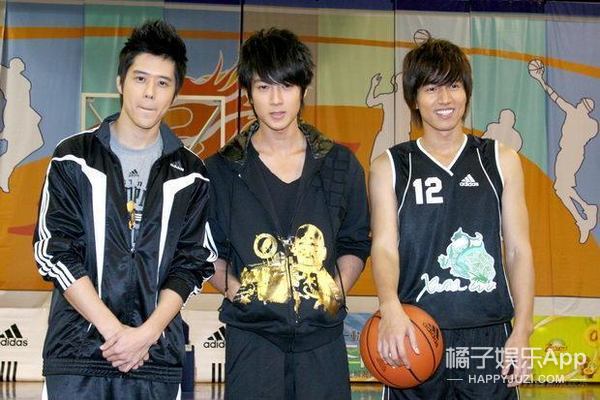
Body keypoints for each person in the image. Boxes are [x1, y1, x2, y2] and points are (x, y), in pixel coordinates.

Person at [33, 20, 216, 400]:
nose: (149, 93)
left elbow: (192, 264)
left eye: (162, 83)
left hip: (155, 359)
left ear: (175, 93)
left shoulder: (192, 175)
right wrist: (116, 332)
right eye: (140, 79)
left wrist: (145, 335)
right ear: (120, 82)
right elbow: (55, 251)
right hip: (78, 357)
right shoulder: (73, 158)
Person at [206, 28, 370, 400]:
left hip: (322, 342)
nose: (276, 100)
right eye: (264, 87)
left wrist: (332, 291)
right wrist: (240, 293)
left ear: (304, 90)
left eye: (286, 86)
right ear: (248, 93)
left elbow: (355, 242)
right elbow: (206, 251)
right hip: (252, 342)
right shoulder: (221, 170)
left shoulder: (339, 165)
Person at [369, 39, 534, 399]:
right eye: (431, 88)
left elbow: (518, 250)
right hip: (415, 332)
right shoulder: (390, 166)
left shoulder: (500, 160)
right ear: (414, 98)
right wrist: (389, 307)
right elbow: (384, 246)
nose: (444, 99)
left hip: (487, 335)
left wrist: (522, 328)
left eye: (453, 86)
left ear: (466, 92)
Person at [528, 59, 598, 243]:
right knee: (562, 189)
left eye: (582, 103)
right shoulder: (586, 121)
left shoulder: (579, 117)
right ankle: (585, 211)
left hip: (570, 154)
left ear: (585, 108)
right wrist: (540, 80)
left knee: (561, 189)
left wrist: (540, 79)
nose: (580, 103)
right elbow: (556, 98)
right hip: (568, 154)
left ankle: (583, 215)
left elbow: (555, 97)